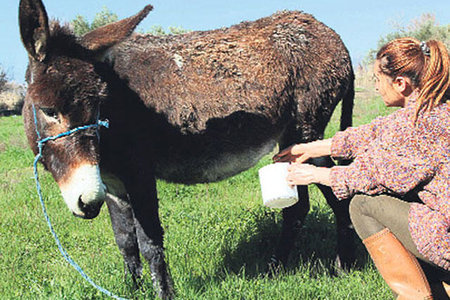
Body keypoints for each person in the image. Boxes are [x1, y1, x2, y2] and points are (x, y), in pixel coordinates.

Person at [273, 37, 450, 300]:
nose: (376, 86)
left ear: (401, 84)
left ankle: (418, 296)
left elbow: (372, 175)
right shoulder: (434, 111)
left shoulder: (417, 128)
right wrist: (309, 149)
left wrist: (314, 174)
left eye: (378, 78)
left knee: (363, 204)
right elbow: (371, 134)